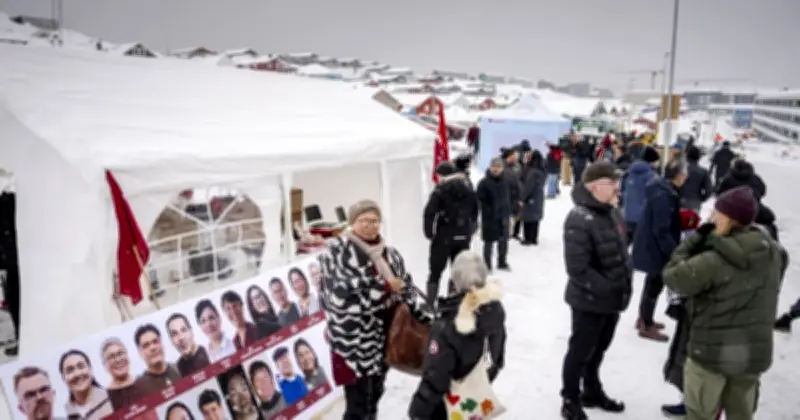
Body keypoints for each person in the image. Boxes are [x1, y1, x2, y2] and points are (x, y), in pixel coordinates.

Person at [662, 186, 787, 420]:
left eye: (717, 213)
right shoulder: (774, 253)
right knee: (741, 415)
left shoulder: (715, 260)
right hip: (752, 354)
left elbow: (673, 276)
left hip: (711, 353)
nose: (713, 217)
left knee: (700, 414)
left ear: (728, 218)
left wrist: (696, 239)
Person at [316, 199, 433, 419]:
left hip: (384, 338)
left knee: (375, 393)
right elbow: (338, 296)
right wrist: (384, 286)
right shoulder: (337, 253)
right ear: (352, 222)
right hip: (354, 344)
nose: (370, 225)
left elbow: (406, 287)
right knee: (357, 402)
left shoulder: (391, 254)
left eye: (375, 220)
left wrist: (422, 316)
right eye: (364, 220)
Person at [560, 162, 631, 420]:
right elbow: (577, 268)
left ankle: (591, 390)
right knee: (580, 352)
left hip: (611, 300)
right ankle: (570, 399)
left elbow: (619, 249)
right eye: (611, 183)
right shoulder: (579, 218)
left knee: (599, 349)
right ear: (593, 187)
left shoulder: (612, 212)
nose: (617, 188)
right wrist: (608, 288)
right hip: (589, 300)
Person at [408, 251, 506, 420]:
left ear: (454, 281)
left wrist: (419, 410)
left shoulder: (447, 326)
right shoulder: (494, 311)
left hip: (447, 407)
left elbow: (436, 377)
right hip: (476, 398)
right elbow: (497, 357)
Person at [632, 163, 687, 342]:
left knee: (652, 283)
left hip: (653, 244)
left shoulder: (663, 189)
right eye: (684, 175)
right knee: (654, 285)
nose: (686, 178)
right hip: (655, 247)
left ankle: (644, 318)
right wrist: (674, 252)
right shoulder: (663, 195)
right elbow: (661, 229)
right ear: (678, 176)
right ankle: (646, 324)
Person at [423, 161, 479, 303]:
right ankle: (454, 301)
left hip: (444, 236)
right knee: (458, 270)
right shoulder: (469, 188)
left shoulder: (440, 190)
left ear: (442, 175)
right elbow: (475, 212)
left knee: (435, 271)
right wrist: (470, 230)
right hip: (463, 236)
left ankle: (431, 302)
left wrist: (429, 232)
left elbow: (429, 212)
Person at [476, 158, 512, 271]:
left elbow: (510, 197)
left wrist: (510, 210)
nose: (496, 169)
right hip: (489, 217)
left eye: (498, 167)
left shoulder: (506, 182)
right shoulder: (483, 183)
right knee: (489, 242)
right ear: (490, 167)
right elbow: (478, 200)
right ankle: (487, 265)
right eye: (494, 166)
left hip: (504, 216)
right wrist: (486, 210)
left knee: (503, 241)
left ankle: (502, 262)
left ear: (502, 168)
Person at [620, 146, 660, 243]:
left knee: (625, 245)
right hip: (643, 218)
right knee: (641, 246)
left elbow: (622, 191)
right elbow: (656, 197)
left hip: (626, 215)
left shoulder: (628, 173)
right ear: (652, 161)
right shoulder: (652, 176)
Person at [59, 349, 113, 419]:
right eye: (70, 370)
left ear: (90, 369)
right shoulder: (67, 414)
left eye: (81, 366)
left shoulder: (112, 400)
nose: (77, 374)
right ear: (63, 378)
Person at [133, 324, 182, 394]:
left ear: (162, 344)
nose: (152, 348)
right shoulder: (139, 387)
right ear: (140, 352)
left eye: (155, 342)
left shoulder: (180, 369)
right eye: (146, 345)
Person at [101, 338, 145, 411]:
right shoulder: (105, 400)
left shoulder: (145, 383)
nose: (118, 359)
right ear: (105, 365)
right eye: (111, 357)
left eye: (120, 353)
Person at [519, 150, 546, 245]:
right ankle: (534, 238)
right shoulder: (542, 170)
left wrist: (522, 198)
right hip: (538, 197)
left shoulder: (532, 172)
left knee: (527, 218)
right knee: (535, 219)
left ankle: (527, 238)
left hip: (530, 198)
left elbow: (528, 186)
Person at [680, 146, 713, 212]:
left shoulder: (680, 170)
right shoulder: (703, 172)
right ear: (699, 157)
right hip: (695, 202)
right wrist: (702, 198)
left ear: (687, 157)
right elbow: (709, 190)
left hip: (680, 201)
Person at [502, 147, 523, 240]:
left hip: (515, 196)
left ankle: (515, 232)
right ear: (508, 157)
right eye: (513, 156)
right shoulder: (502, 167)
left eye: (515, 156)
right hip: (507, 197)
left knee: (516, 216)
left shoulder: (517, 166)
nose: (515, 158)